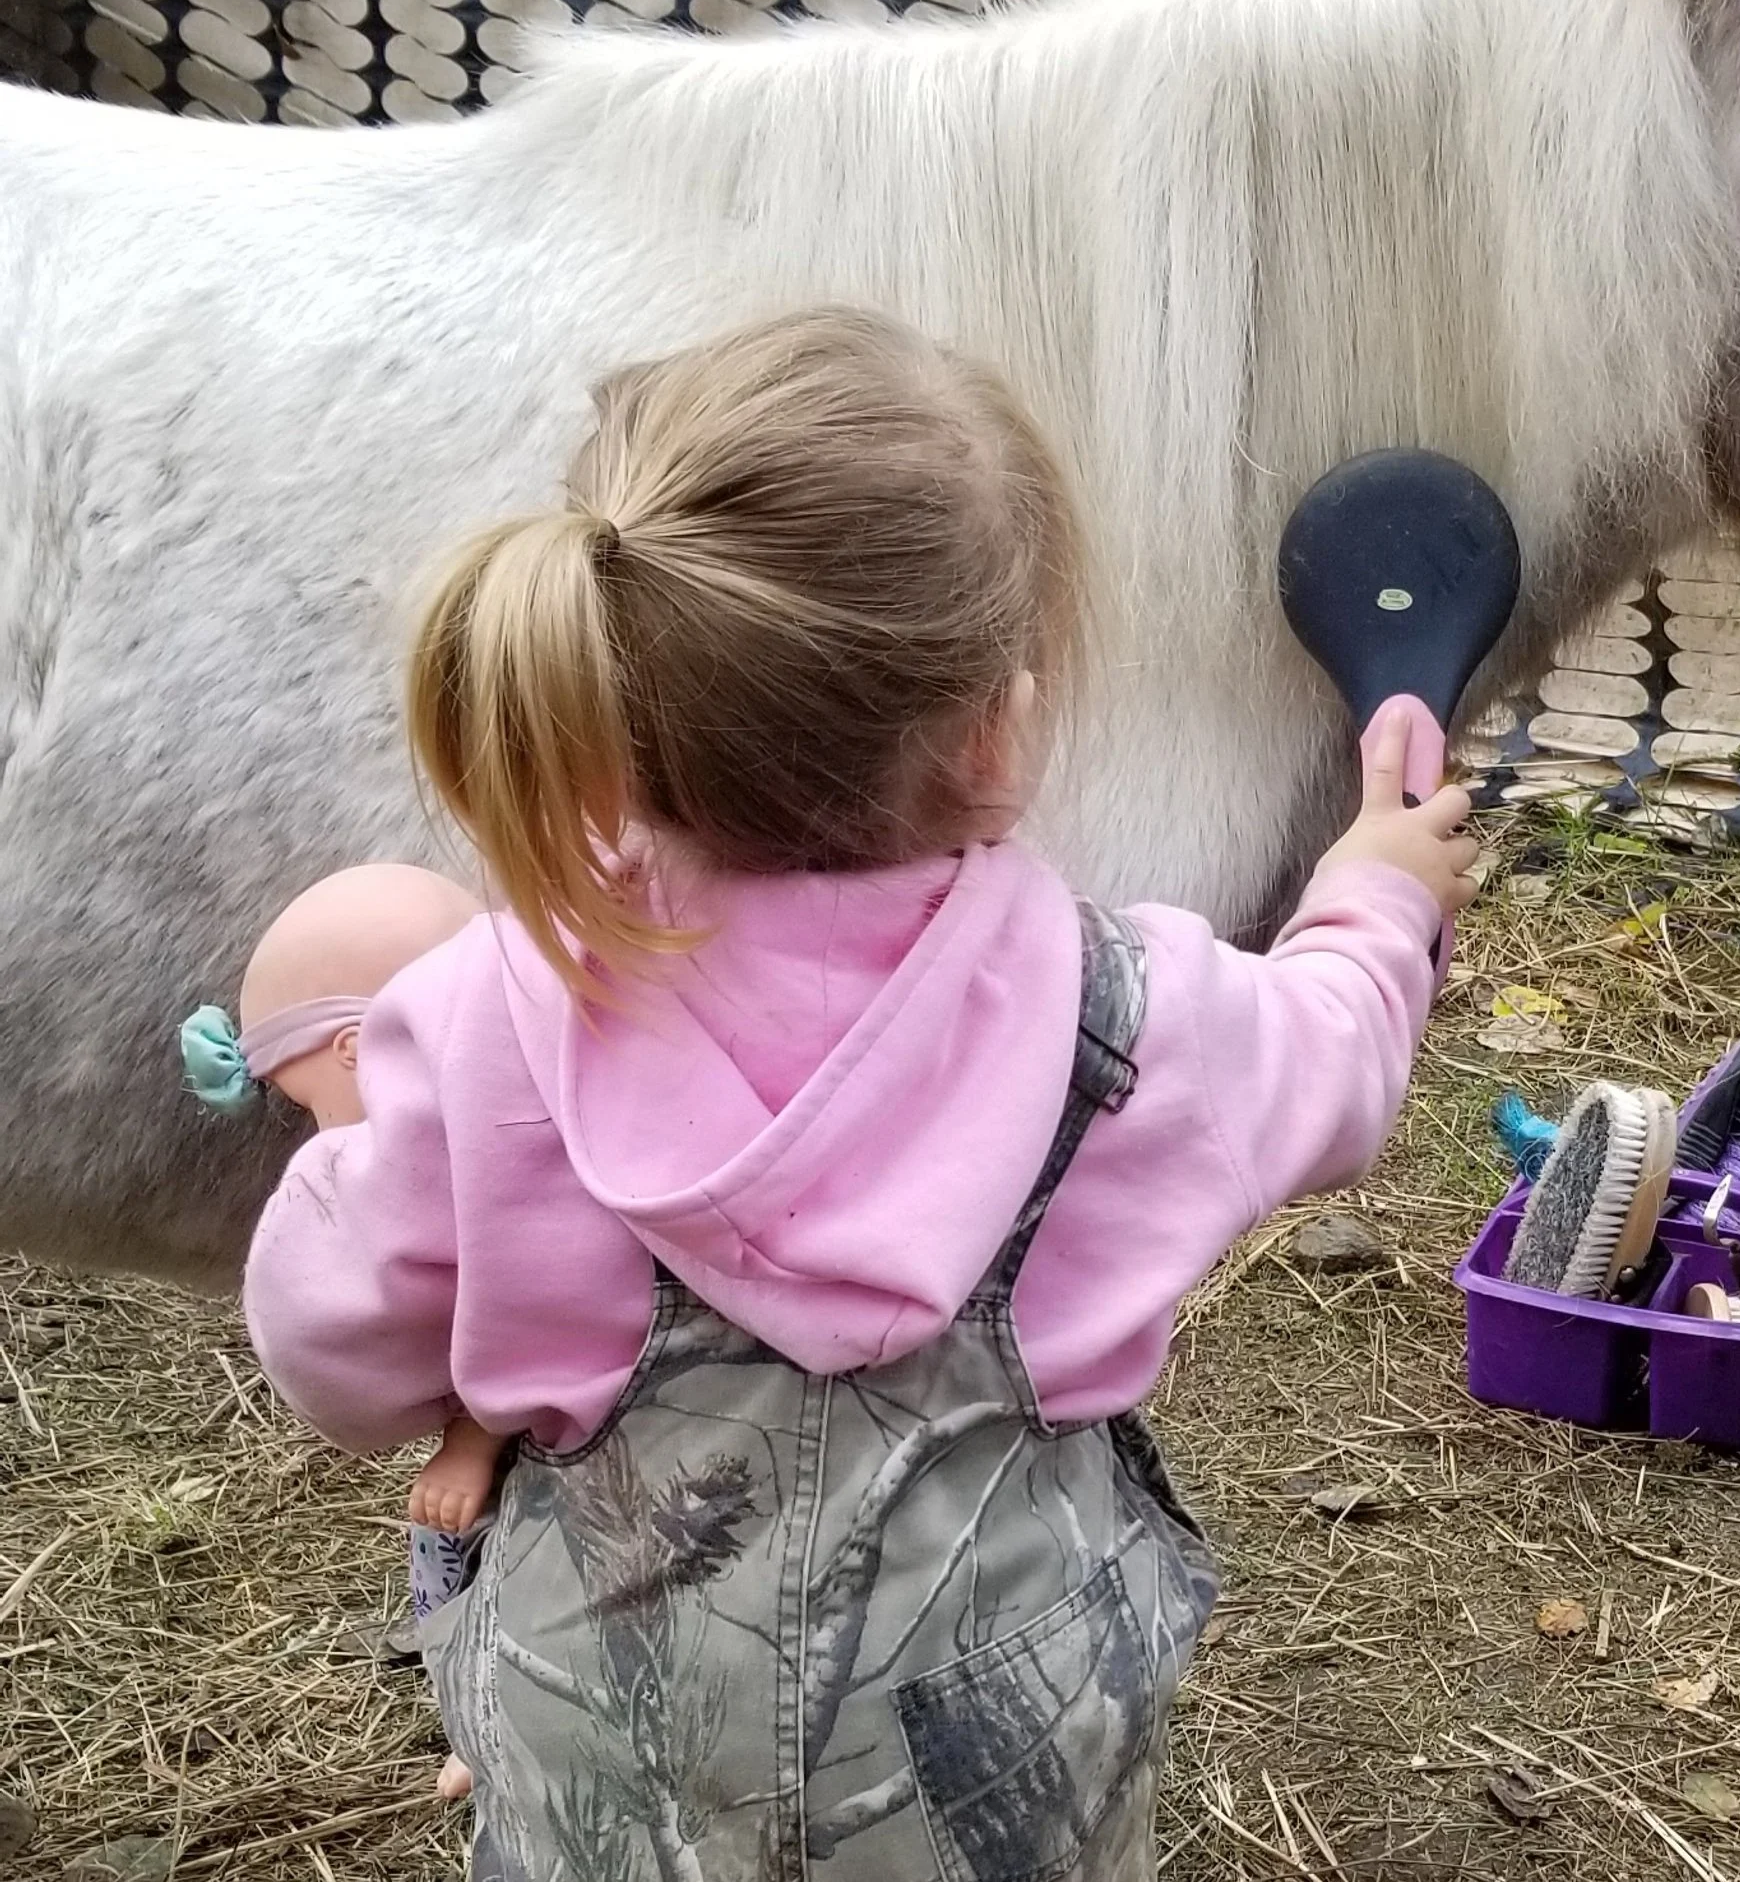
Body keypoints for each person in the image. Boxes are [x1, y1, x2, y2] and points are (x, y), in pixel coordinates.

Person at [241, 307, 1478, 1880]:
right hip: (994, 1760)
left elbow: (335, 1351)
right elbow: (1339, 1055)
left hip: (610, 1734)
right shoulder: (1137, 1011)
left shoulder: (483, 1014)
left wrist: (376, 1184)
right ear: (994, 725)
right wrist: (1375, 891)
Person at [179, 860, 497, 1802]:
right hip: (487, 1429)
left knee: (478, 1575)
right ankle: (471, 1714)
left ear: (361, 1049)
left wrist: (474, 1438)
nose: (316, 1134)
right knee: (447, 1572)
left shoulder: (470, 1167)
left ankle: (487, 1718)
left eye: (305, 1100)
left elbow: (533, 1308)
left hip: (518, 1438)